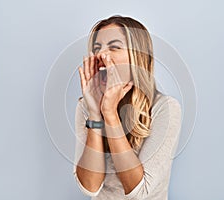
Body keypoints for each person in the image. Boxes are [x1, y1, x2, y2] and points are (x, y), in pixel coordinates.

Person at [73, 15, 182, 200]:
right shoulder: (86, 106)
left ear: (137, 57)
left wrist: (110, 113)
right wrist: (95, 114)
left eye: (114, 47)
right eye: (97, 48)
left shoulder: (165, 108)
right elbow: (89, 187)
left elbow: (138, 191)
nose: (101, 55)